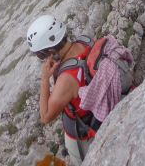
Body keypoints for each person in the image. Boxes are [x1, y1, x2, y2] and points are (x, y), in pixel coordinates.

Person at [26, 15, 95, 165]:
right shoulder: (85, 41)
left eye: (40, 54)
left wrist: (45, 79)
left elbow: (45, 117)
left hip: (84, 133)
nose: (41, 59)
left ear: (50, 50)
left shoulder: (66, 79)